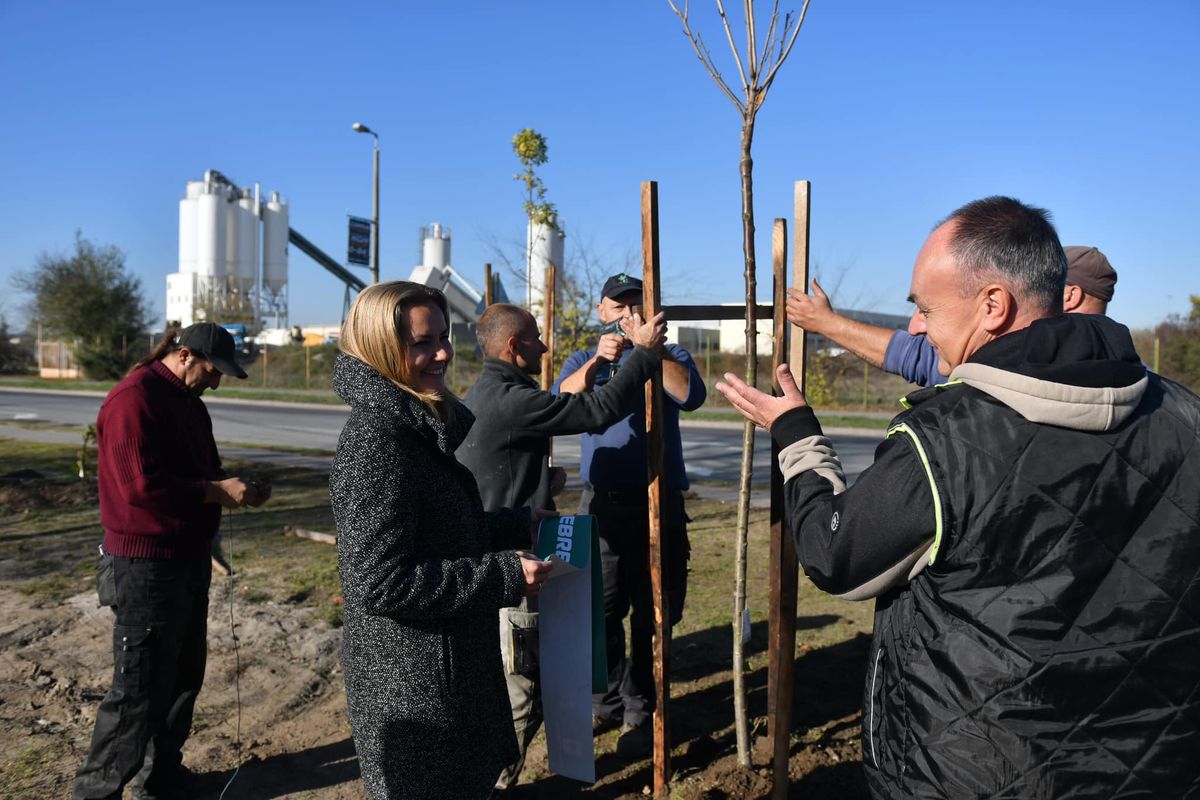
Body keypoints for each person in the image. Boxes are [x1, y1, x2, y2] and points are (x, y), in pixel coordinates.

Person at [717, 196, 1200, 797]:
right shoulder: (1184, 413)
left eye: (923, 307)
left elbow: (834, 552)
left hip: (978, 774)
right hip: (1156, 766)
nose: (916, 326)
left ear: (993, 305)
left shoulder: (947, 440)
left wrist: (796, 433)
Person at [329, 281, 553, 800]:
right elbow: (382, 583)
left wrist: (519, 525)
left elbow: (435, 532)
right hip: (417, 695)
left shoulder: (409, 426)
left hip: (442, 681)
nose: (443, 353)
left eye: (445, 337)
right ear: (382, 350)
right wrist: (504, 573)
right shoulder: (376, 442)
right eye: (422, 343)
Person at [457, 302, 667, 792]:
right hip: (512, 567)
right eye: (535, 338)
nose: (545, 346)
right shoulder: (509, 398)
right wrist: (643, 354)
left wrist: (534, 478)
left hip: (497, 555)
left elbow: (493, 463)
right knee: (523, 690)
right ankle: (485, 786)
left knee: (521, 682)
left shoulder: (487, 393)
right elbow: (597, 411)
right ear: (513, 347)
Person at [73, 323, 271, 800]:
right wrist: (213, 491)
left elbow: (206, 472)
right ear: (184, 356)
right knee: (137, 692)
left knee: (184, 676)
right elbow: (139, 488)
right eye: (211, 370)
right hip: (143, 568)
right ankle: (95, 794)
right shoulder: (131, 401)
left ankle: (159, 779)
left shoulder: (190, 406)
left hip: (187, 559)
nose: (217, 381)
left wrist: (236, 485)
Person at [552, 273, 707, 758]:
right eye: (618, 306)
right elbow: (560, 398)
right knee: (599, 610)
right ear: (601, 312)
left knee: (654, 615)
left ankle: (641, 708)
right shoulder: (587, 359)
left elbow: (692, 396)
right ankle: (607, 701)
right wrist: (604, 359)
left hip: (659, 504)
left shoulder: (671, 356)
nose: (627, 314)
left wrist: (651, 352)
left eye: (636, 305)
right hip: (602, 505)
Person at [786, 244, 1118, 387]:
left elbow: (915, 357)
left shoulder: (1011, 371)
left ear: (1070, 295)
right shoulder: (1138, 379)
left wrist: (825, 323)